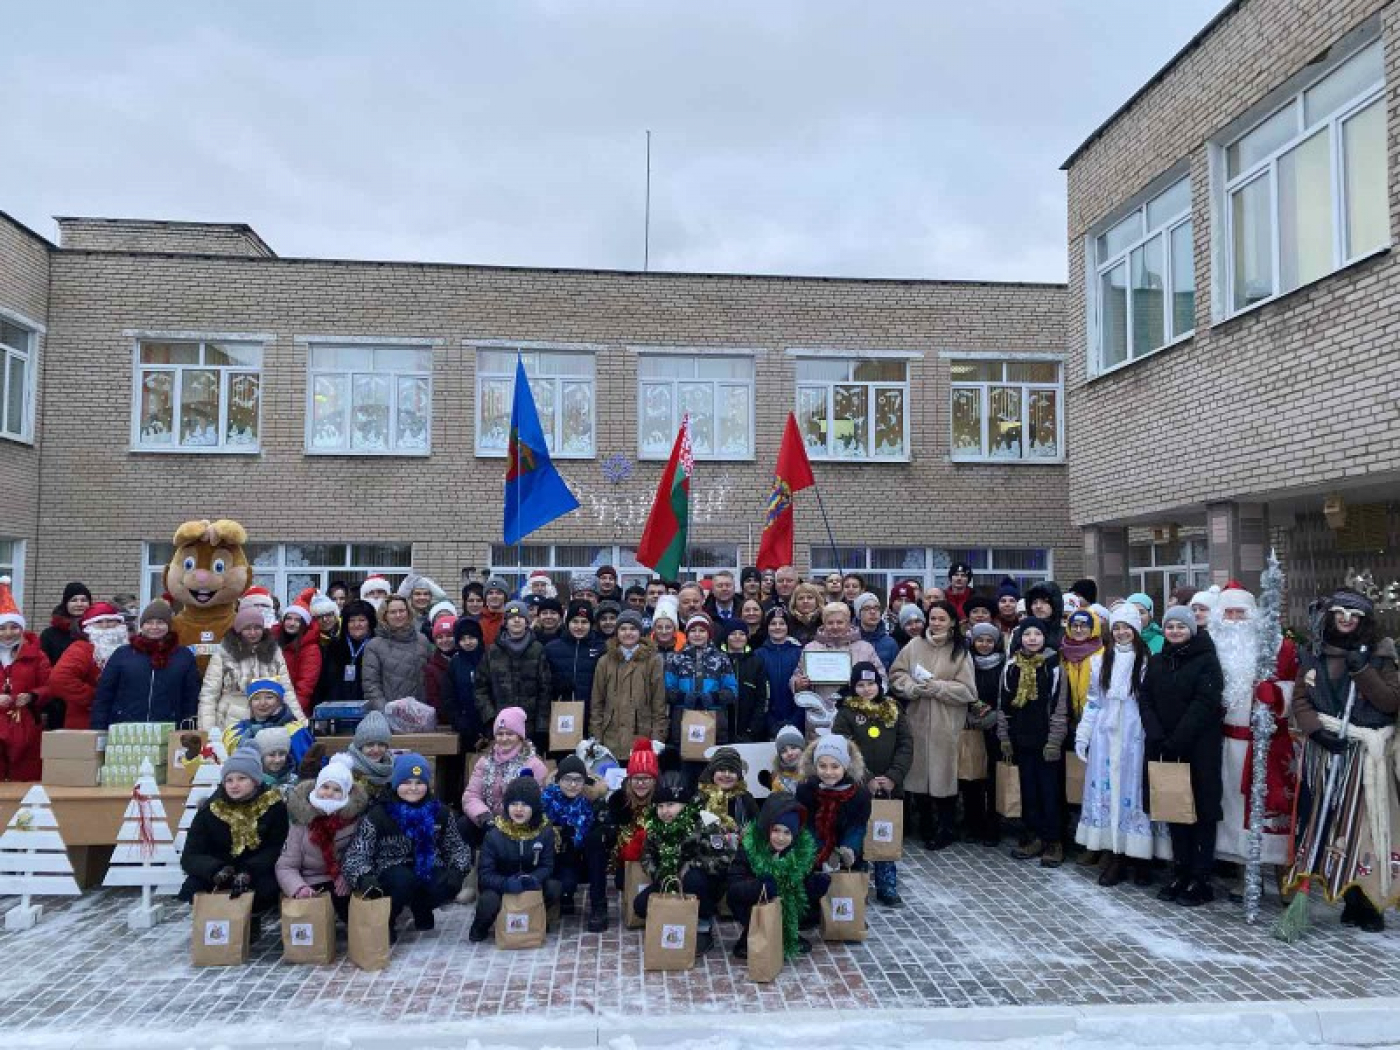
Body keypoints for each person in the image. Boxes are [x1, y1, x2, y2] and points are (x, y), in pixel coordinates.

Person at [1287, 588, 1400, 932]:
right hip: (1326, 753)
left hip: (1364, 756)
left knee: (1362, 831)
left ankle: (1366, 902)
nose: (1346, 620)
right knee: (1328, 827)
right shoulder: (1315, 652)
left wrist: (1362, 670)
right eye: (1340, 614)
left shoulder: (1381, 655)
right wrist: (1315, 730)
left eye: (1354, 615)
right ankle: (1338, 892)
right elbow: (1301, 698)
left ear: (1364, 621)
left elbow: (1390, 702)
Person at [1209, 584, 1300, 888]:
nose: (1235, 620)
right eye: (1229, 613)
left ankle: (1281, 876)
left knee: (1271, 809)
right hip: (1224, 744)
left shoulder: (1278, 647)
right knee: (1232, 810)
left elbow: (1295, 691)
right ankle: (1244, 875)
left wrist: (1276, 694)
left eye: (1241, 613)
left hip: (1266, 744)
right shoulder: (1212, 646)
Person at [1074, 606, 1166, 885]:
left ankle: (1141, 856)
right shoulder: (1100, 661)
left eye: (1127, 627)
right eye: (1116, 627)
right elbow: (1093, 701)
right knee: (1109, 791)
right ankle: (1115, 854)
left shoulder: (1148, 662)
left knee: (1135, 791)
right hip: (1106, 735)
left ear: (1136, 629)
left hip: (1136, 733)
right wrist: (1083, 734)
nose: (1122, 632)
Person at [1140, 606, 1224, 907]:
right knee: (1174, 807)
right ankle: (1181, 870)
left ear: (1192, 629)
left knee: (1201, 810)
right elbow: (1145, 697)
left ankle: (1201, 878)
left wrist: (1178, 738)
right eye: (1170, 626)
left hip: (1198, 747)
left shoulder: (1207, 660)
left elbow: (1205, 702)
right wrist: (1156, 732)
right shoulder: (1159, 660)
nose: (1175, 631)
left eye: (1181, 626)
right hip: (1164, 744)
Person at [344, 752, 471, 939]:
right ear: (396, 784)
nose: (413, 788)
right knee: (403, 882)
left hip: (428, 862)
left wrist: (458, 871)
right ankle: (387, 919)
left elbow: (457, 846)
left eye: (419, 783)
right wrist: (364, 877)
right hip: (390, 867)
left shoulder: (440, 812)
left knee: (444, 883)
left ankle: (422, 907)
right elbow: (357, 852)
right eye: (406, 782)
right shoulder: (379, 814)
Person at [889, 600, 977, 851]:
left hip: (947, 723)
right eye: (933, 618)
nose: (936, 623)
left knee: (944, 775)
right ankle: (925, 823)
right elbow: (896, 675)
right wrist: (912, 687)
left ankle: (946, 827)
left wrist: (938, 687)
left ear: (952, 622)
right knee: (918, 774)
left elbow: (968, 690)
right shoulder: (914, 645)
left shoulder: (960, 651)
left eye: (942, 619)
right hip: (917, 720)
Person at [178, 745, 290, 921]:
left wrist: (248, 871)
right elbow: (191, 855)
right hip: (219, 870)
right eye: (229, 780)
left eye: (242, 778)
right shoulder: (212, 809)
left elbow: (276, 847)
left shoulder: (273, 806)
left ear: (255, 780)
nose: (234, 785)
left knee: (266, 888)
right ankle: (214, 923)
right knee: (194, 886)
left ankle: (250, 922)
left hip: (256, 870)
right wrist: (216, 870)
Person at [831, 662, 911, 906]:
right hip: (857, 789)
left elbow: (905, 745)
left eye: (871, 684)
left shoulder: (893, 709)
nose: (866, 689)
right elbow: (843, 750)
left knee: (885, 836)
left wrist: (893, 776)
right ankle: (859, 884)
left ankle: (887, 885)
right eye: (861, 685)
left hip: (889, 788)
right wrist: (865, 779)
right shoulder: (846, 713)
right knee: (858, 835)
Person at [997, 616, 1069, 867]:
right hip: (1021, 738)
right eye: (1027, 634)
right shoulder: (1011, 666)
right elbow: (1004, 703)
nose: (1032, 639)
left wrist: (1054, 741)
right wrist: (1004, 736)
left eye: (1037, 634)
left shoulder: (1054, 666)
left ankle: (1054, 840)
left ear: (1044, 638)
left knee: (1050, 792)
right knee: (1028, 791)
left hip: (1046, 739)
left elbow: (1060, 707)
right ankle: (1034, 836)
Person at [636, 771, 730, 953]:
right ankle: (677, 918)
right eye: (660, 806)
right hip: (670, 879)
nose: (665, 811)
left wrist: (691, 866)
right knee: (640, 905)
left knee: (693, 880)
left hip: (702, 882)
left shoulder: (705, 822)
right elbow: (647, 856)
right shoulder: (655, 826)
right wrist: (659, 873)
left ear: (685, 804)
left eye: (671, 805)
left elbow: (722, 859)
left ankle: (703, 926)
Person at [726, 791, 826, 960]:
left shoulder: (801, 852)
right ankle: (752, 934)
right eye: (776, 830)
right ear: (767, 828)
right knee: (743, 897)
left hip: (788, 906)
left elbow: (803, 888)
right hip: (755, 907)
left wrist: (814, 887)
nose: (780, 838)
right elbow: (734, 888)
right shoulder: (749, 849)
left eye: (787, 832)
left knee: (809, 895)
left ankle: (787, 933)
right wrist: (760, 887)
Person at [276, 755, 369, 920]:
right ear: (317, 787)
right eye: (325, 787)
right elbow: (286, 866)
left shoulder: (354, 821)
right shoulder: (302, 821)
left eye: (337, 790)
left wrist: (348, 876)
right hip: (309, 880)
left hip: (342, 878)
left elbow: (360, 856)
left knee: (355, 913)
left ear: (346, 794)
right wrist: (299, 888)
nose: (329, 793)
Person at [470, 770, 559, 942]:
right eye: (514, 804)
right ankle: (480, 926)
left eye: (525, 805)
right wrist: (506, 883)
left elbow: (547, 866)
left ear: (534, 807)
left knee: (554, 887)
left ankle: (536, 918)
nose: (518, 809)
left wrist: (533, 879)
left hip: (531, 883)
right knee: (489, 900)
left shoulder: (545, 832)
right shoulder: (494, 834)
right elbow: (485, 874)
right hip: (501, 885)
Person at [91, 600, 199, 731]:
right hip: (125, 729)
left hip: (168, 728)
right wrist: (99, 729)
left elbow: (190, 697)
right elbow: (104, 694)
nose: (154, 627)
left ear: (169, 625)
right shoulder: (123, 654)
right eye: (149, 622)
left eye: (160, 622)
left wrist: (186, 728)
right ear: (142, 625)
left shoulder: (183, 656)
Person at [587, 737, 659, 931]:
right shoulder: (619, 801)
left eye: (646, 778)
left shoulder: (662, 801)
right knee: (595, 840)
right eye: (636, 778)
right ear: (629, 779)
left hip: (653, 858)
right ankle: (598, 906)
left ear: (654, 780)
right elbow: (609, 826)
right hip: (624, 858)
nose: (641, 783)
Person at [790, 601, 884, 739]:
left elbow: (881, 678)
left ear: (848, 623)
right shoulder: (811, 648)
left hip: (858, 715)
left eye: (840, 622)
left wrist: (868, 688)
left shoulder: (865, 648)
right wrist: (798, 684)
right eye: (830, 623)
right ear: (823, 624)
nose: (835, 627)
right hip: (821, 717)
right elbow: (796, 676)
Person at [199, 604, 299, 730]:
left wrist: (299, 722)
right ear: (239, 629)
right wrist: (207, 730)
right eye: (247, 628)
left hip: (269, 720)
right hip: (230, 721)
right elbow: (209, 694)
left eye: (257, 628)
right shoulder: (224, 652)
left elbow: (287, 689)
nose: (253, 633)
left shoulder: (274, 651)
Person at [666, 614, 738, 782]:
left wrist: (713, 697)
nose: (697, 634)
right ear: (687, 634)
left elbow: (732, 691)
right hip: (683, 722)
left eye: (702, 631)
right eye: (693, 631)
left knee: (712, 771)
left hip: (714, 723)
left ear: (708, 634)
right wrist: (684, 697)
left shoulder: (721, 658)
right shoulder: (676, 658)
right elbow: (667, 690)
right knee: (686, 774)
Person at [463, 707, 549, 847]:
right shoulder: (485, 761)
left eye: (510, 734)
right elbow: (471, 796)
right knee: (464, 824)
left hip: (519, 824)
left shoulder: (534, 764)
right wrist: (485, 817)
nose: (504, 739)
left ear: (520, 736)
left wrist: (513, 821)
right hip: (490, 822)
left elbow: (539, 801)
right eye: (500, 734)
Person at [588, 609, 667, 761]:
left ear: (640, 632)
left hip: (642, 735)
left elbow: (659, 703)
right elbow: (597, 703)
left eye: (633, 629)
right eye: (623, 629)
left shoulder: (653, 661)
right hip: (610, 737)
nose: (628, 633)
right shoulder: (605, 661)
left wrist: (657, 738)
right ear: (617, 632)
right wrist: (596, 737)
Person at [474, 600, 552, 752]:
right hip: (501, 726)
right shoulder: (493, 651)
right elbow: (480, 688)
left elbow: (545, 689)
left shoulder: (538, 649)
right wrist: (491, 717)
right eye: (512, 617)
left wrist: (542, 725)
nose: (516, 620)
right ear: (505, 622)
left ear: (527, 621)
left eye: (521, 617)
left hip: (530, 725)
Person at [46, 602, 127, 729]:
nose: (105, 626)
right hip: (86, 723)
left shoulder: (129, 649)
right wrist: (96, 697)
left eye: (110, 621)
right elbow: (60, 679)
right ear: (88, 626)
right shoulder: (81, 649)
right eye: (98, 622)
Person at [0, 579, 50, 781]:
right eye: (2, 628)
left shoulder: (37, 656)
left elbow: (50, 685)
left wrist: (32, 696)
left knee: (25, 776)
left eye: (14, 627)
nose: (8, 633)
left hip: (26, 723)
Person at [962, 623, 1005, 847]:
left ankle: (993, 825)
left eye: (989, 640)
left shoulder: (1004, 664)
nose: (984, 645)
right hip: (971, 726)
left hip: (997, 727)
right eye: (980, 640)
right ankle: (973, 823)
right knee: (972, 776)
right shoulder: (966, 662)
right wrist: (971, 712)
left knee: (993, 778)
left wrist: (995, 715)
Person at [542, 755, 601, 915]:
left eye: (578, 780)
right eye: (567, 779)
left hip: (571, 859)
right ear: (559, 780)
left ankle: (567, 894)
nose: (573, 785)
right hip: (547, 858)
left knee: (567, 884)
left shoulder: (587, 804)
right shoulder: (546, 801)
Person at [361, 594, 433, 713]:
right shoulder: (374, 646)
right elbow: (371, 686)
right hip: (389, 714)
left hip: (421, 713)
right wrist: (386, 711)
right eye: (393, 612)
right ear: (385, 615)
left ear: (408, 612)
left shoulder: (422, 640)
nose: (398, 615)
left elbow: (431, 679)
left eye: (402, 611)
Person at [223, 678, 314, 770]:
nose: (262, 703)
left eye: (269, 697)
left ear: (279, 701)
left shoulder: (294, 730)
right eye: (256, 698)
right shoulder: (237, 731)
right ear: (250, 704)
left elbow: (306, 766)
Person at [544, 600, 605, 732]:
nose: (579, 626)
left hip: (591, 715)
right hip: (561, 714)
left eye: (584, 622)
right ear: (567, 623)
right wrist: (555, 684)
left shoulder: (601, 648)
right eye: (575, 621)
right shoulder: (551, 648)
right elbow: (543, 683)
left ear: (591, 624)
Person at [313, 599, 377, 708]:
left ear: (370, 622)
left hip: (369, 709)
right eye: (351, 621)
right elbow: (322, 684)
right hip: (335, 709)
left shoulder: (377, 647)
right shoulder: (333, 647)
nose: (356, 624)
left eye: (362, 620)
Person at [757, 607, 805, 737]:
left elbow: (806, 689)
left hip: (796, 718)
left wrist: (796, 720)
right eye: (773, 623)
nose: (777, 627)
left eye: (782, 623)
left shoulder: (799, 653)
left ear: (788, 627)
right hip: (768, 720)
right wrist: (769, 721)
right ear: (767, 627)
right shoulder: (759, 654)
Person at [718, 617, 766, 742]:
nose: (737, 637)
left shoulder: (756, 662)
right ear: (726, 637)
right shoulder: (717, 660)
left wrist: (753, 728)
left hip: (748, 731)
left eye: (742, 634)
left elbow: (762, 697)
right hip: (721, 731)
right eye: (733, 634)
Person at [276, 593, 323, 709]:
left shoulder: (311, 649)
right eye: (289, 618)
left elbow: (304, 688)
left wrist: (292, 711)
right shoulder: (276, 642)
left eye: (297, 620)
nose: (292, 623)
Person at [344, 710, 395, 799]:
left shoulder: (392, 767)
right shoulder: (346, 771)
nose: (376, 750)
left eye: (381, 744)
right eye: (370, 745)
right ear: (360, 747)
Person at [39, 581, 91, 668]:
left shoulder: (97, 631)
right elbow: (43, 665)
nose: (79, 604)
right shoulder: (49, 635)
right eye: (74, 600)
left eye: (83, 600)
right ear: (66, 604)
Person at [854, 593, 898, 669]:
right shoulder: (851, 640)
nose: (873, 612)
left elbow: (895, 672)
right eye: (867, 608)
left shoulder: (890, 643)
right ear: (858, 613)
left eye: (876, 608)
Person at [760, 724, 806, 795]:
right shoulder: (779, 783)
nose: (789, 753)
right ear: (780, 756)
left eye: (793, 748)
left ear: (803, 749)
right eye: (784, 751)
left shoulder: (815, 773)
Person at [479, 576, 510, 647]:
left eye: (499, 593)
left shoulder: (511, 619)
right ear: (486, 597)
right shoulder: (478, 620)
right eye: (490, 593)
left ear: (505, 597)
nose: (494, 596)